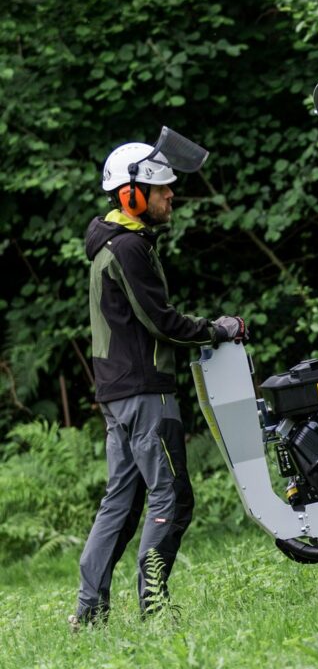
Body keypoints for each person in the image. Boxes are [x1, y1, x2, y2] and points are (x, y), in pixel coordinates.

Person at [70, 135, 245, 627]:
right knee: (172, 495)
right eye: (162, 189)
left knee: (122, 503)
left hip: (118, 392)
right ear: (131, 196)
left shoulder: (114, 242)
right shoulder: (128, 247)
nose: (171, 195)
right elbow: (162, 322)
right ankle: (154, 605)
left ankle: (89, 611)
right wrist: (219, 329)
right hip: (145, 391)